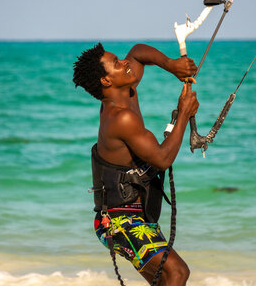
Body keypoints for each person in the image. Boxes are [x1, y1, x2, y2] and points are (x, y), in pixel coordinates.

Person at [73, 42, 199, 285]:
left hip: (137, 214)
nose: (125, 63)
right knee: (177, 273)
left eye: (119, 59)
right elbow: (162, 159)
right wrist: (183, 113)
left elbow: (138, 52)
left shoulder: (126, 89)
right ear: (107, 81)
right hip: (118, 221)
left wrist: (171, 65)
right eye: (117, 64)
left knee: (164, 280)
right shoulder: (121, 117)